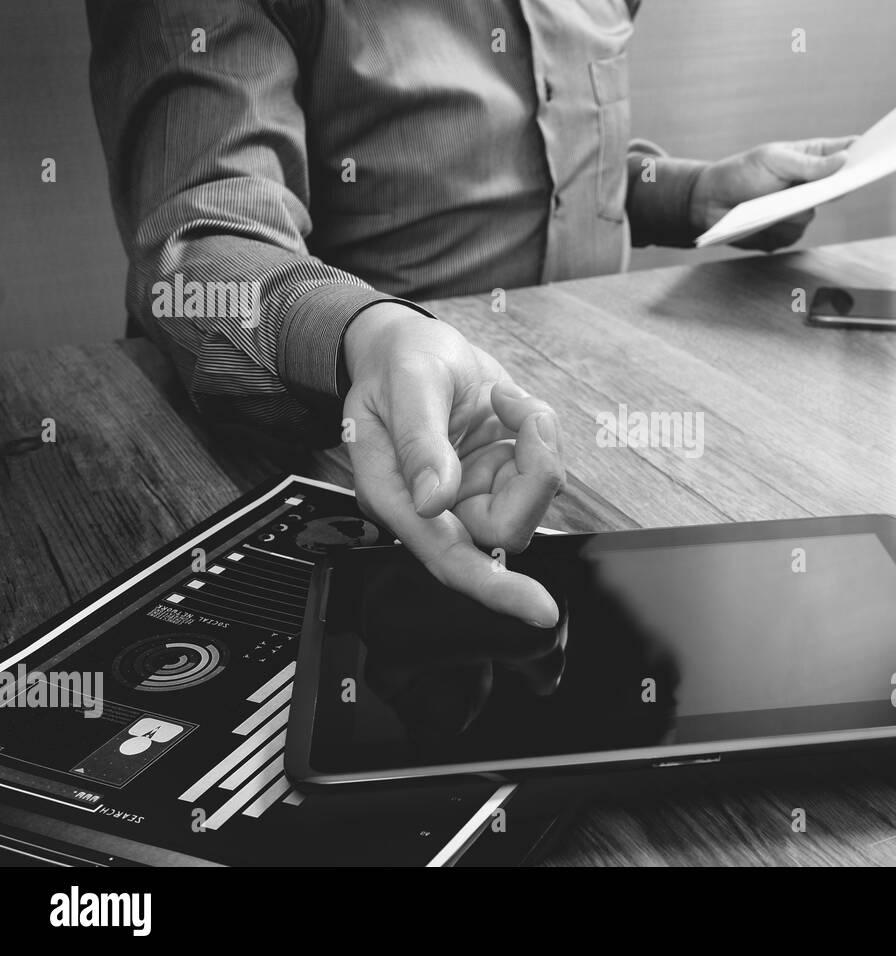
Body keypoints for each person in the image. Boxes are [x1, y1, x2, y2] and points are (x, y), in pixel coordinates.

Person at [87, 0, 852, 632]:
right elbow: (200, 241)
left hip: (609, 446)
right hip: (372, 486)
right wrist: (372, 334)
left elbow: (540, 168)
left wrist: (689, 195)